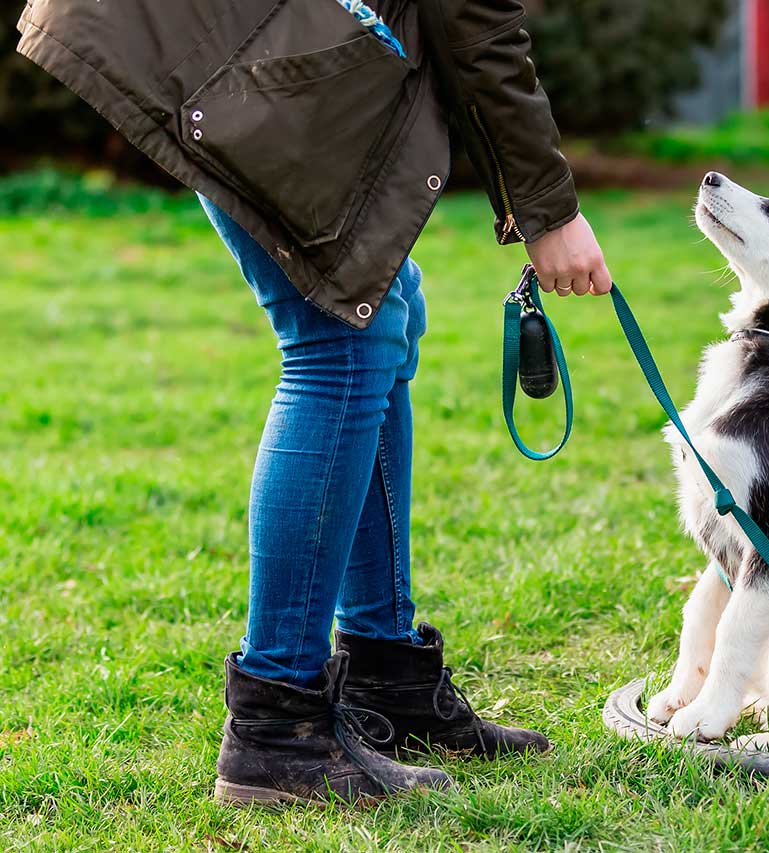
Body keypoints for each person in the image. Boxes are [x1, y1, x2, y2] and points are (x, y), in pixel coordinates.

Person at [17, 0, 610, 806]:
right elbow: (474, 23)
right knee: (340, 344)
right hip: (213, 38)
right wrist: (550, 212)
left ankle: (385, 673)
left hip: (234, 33)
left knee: (381, 306)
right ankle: (276, 727)